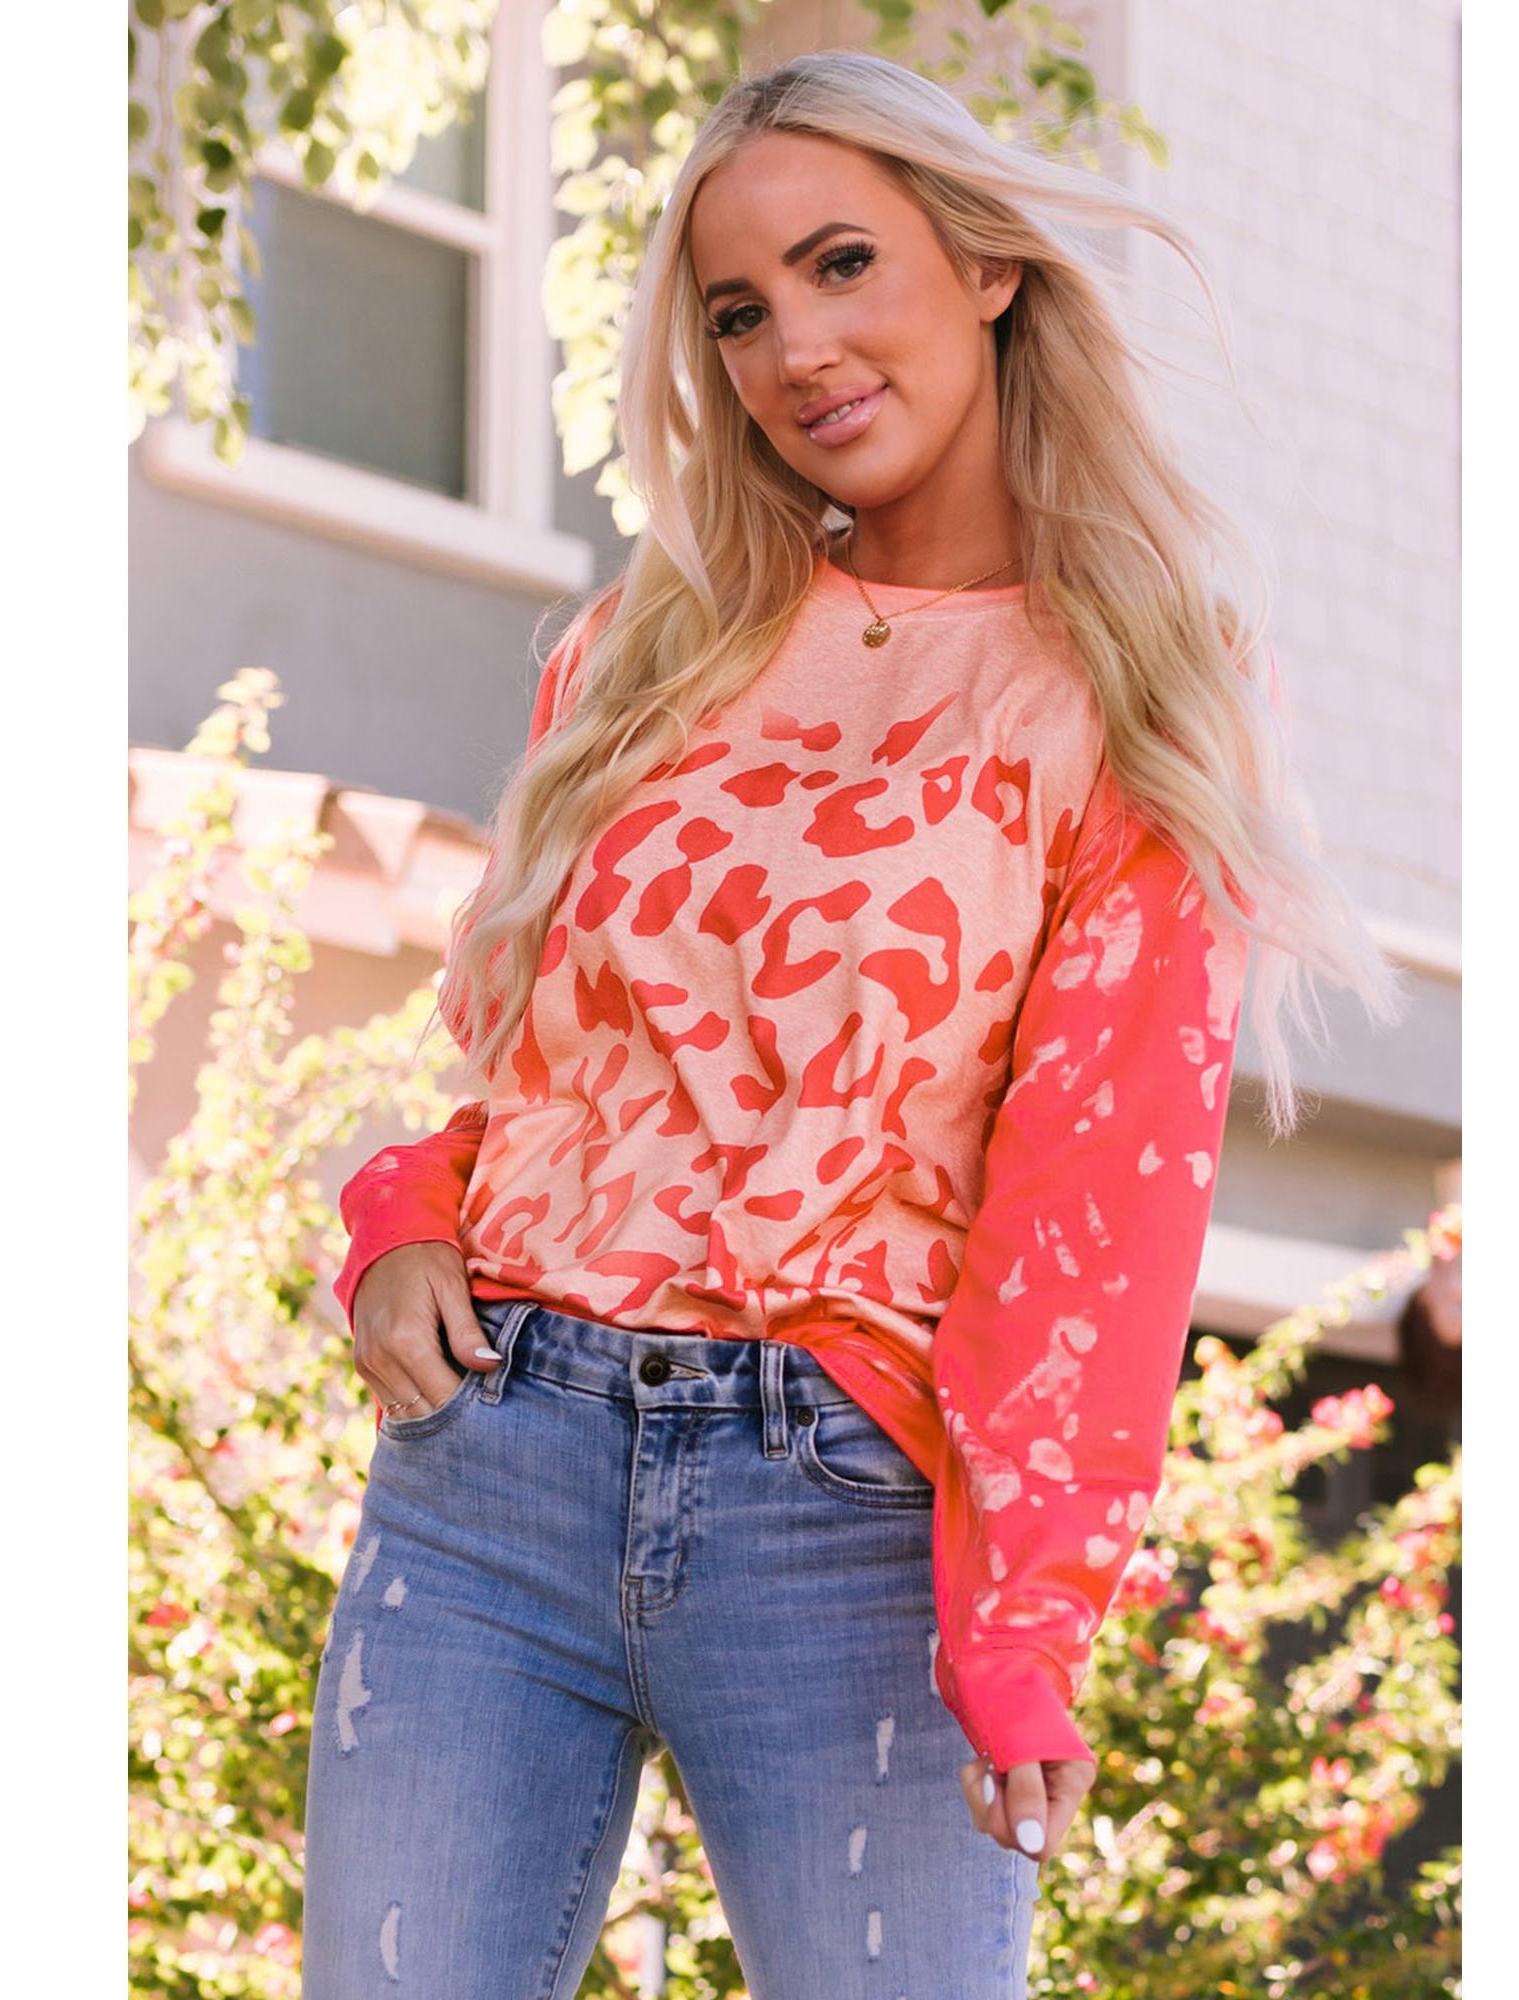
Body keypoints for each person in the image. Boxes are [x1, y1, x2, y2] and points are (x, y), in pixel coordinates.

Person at [300, 49, 1405, 1999]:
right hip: (494, 1463)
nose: (793, 348)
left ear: (983, 263)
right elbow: (541, 1071)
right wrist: (401, 1216)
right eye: (736, 312)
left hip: (846, 1513)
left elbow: (1094, 1197)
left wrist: (1024, 1616)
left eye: (837, 265)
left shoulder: (1131, 682)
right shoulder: (645, 647)